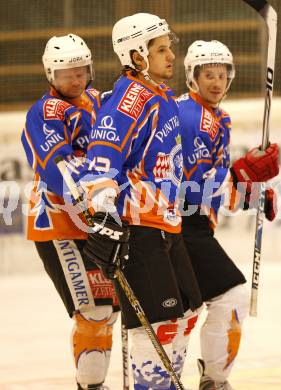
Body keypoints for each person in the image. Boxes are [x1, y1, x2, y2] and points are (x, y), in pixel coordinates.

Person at [80, 13, 203, 390]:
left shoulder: (159, 94)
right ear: (136, 55)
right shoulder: (130, 100)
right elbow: (100, 160)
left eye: (170, 48)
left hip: (166, 222)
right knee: (161, 324)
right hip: (139, 228)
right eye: (161, 50)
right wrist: (103, 216)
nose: (171, 56)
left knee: (188, 313)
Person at [178, 40, 279, 390]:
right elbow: (190, 188)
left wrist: (253, 191)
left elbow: (217, 191)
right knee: (230, 297)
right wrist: (241, 174)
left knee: (187, 310)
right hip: (178, 222)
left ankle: (205, 379)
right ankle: (214, 381)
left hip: (191, 222)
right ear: (193, 77)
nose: (217, 82)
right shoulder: (190, 118)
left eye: (222, 75)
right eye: (208, 75)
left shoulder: (217, 117)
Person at [21, 34, 119, 390]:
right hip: (58, 225)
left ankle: (94, 383)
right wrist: (95, 197)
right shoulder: (44, 113)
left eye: (80, 71)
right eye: (66, 74)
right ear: (51, 75)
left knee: (109, 310)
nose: (75, 80)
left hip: (92, 222)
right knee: (94, 312)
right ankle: (90, 386)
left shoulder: (96, 100)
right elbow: (58, 167)